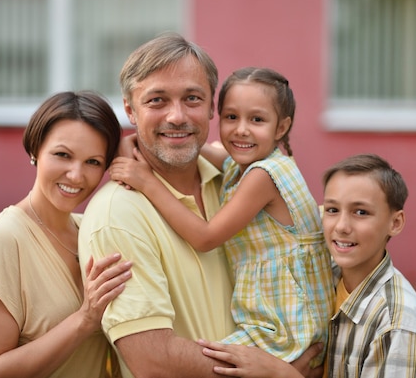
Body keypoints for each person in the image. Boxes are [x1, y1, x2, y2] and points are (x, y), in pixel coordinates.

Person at [78, 33, 324, 378]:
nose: (177, 116)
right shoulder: (118, 214)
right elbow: (152, 361)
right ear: (130, 110)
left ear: (211, 108)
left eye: (192, 98)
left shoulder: (232, 179)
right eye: (157, 101)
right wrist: (274, 372)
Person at [199, 153, 416, 378]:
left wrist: (279, 373)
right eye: (332, 209)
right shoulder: (323, 277)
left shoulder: (395, 322)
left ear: (395, 223)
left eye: (360, 212)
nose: (341, 226)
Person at [0, 91, 133, 378]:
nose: (76, 175)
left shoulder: (89, 230)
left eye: (93, 162)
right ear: (35, 150)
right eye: (62, 155)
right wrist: (84, 319)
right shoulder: (4, 238)